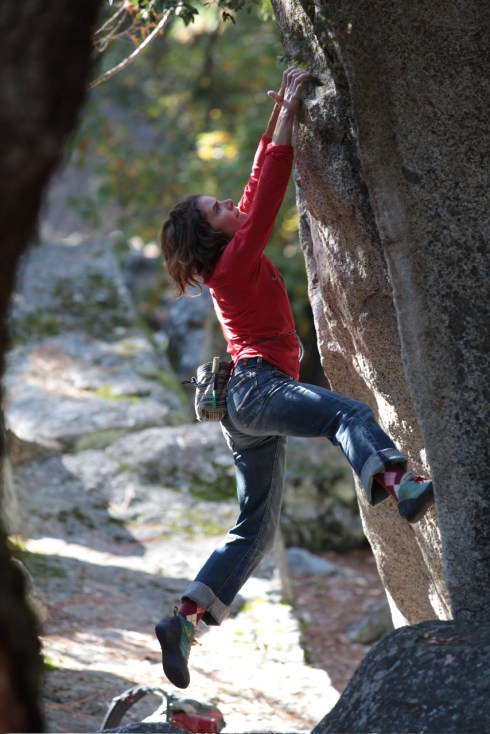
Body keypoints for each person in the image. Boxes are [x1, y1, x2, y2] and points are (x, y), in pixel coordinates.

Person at [156, 66, 434, 689]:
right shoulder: (233, 262)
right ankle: (399, 483)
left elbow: (253, 191)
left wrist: (281, 110)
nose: (230, 205)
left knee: (253, 530)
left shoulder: (229, 258)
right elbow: (267, 194)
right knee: (348, 414)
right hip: (257, 388)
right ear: (211, 234)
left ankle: (186, 621)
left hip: (242, 409)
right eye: (217, 209)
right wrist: (284, 117)